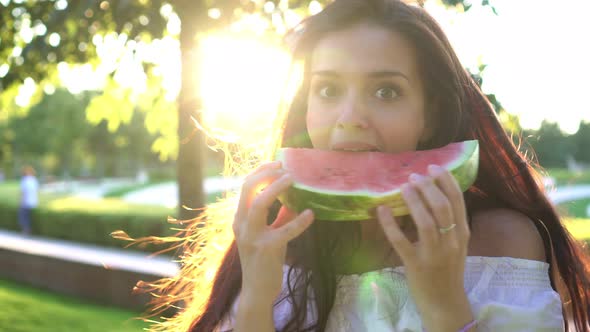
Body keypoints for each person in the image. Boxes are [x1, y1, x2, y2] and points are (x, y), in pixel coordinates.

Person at [142, 0, 590, 331]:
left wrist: (443, 304)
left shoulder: (501, 242)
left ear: (429, 113)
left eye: (386, 92)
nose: (349, 118)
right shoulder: (280, 241)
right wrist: (258, 294)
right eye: (328, 90)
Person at [19, 165, 39, 235]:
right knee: (28, 217)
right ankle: (28, 230)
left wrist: (21, 201)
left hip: (26, 202)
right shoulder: (34, 180)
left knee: (24, 217)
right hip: (34, 202)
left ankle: (26, 230)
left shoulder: (25, 180)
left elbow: (23, 192)